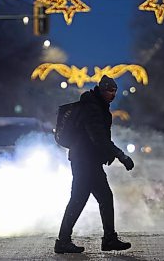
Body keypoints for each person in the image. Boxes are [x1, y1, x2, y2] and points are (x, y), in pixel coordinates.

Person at [54, 75, 135, 254]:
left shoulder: (97, 106)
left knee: (102, 197)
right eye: (109, 91)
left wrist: (107, 153)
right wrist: (121, 156)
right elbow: (98, 137)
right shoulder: (92, 108)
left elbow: (100, 138)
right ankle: (64, 241)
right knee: (79, 199)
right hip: (85, 161)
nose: (113, 95)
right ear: (102, 90)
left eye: (115, 91)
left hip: (88, 160)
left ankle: (108, 239)